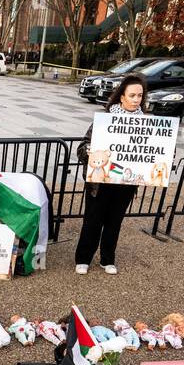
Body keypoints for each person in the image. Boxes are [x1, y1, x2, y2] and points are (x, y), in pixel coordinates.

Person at [75, 73, 147, 276]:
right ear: (121, 97)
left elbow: (154, 153)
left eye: (139, 96)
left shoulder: (147, 124)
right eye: (132, 95)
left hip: (125, 183)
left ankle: (108, 259)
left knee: (114, 223)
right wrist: (89, 152)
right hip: (100, 182)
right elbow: (82, 147)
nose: (136, 100)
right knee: (92, 221)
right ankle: (83, 258)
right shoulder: (104, 122)